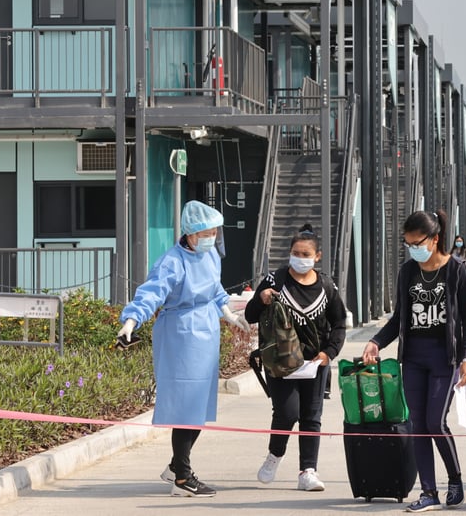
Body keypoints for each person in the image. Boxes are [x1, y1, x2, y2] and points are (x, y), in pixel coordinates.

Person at [117, 200, 251, 498]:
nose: (211, 237)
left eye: (215, 231)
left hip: (205, 333)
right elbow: (152, 293)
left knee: (199, 406)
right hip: (180, 334)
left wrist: (229, 313)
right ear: (190, 233)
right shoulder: (171, 262)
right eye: (205, 232)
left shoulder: (211, 256)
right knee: (185, 408)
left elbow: (215, 289)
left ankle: (176, 466)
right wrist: (131, 320)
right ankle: (182, 478)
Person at [362, 210, 466, 512]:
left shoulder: (456, 269)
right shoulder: (407, 271)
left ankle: (455, 479)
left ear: (435, 239)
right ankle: (428, 491)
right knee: (417, 426)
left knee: (435, 423)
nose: (413, 248)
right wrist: (376, 342)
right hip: (413, 358)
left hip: (444, 358)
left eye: (417, 241)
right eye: (407, 243)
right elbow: (399, 317)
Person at [243, 224, 347, 491]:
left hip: (315, 363)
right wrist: (261, 299)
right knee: (287, 413)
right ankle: (275, 455)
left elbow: (338, 323)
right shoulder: (274, 280)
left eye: (306, 254)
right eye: (296, 253)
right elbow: (251, 316)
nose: (300, 258)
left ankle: (308, 471)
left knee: (312, 416)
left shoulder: (326, 286)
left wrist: (329, 353)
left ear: (317, 256)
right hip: (281, 362)